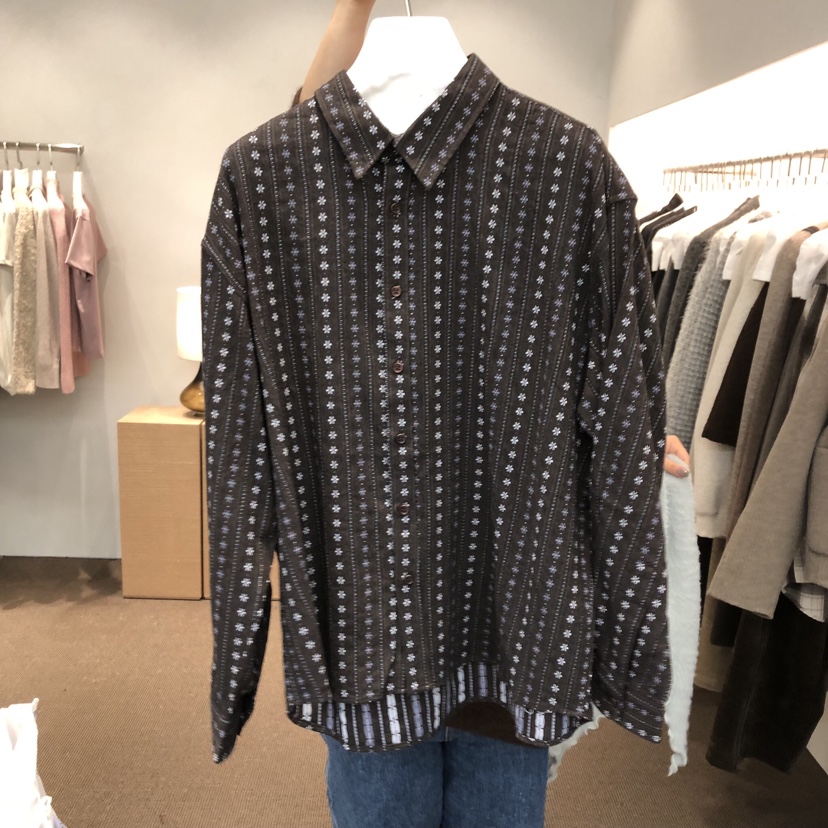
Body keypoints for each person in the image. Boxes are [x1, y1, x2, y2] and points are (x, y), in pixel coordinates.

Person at [288, 5, 690, 826]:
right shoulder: (282, 176)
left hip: (492, 618)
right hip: (447, 622)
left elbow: (618, 403)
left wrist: (629, 449)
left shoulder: (570, 171)